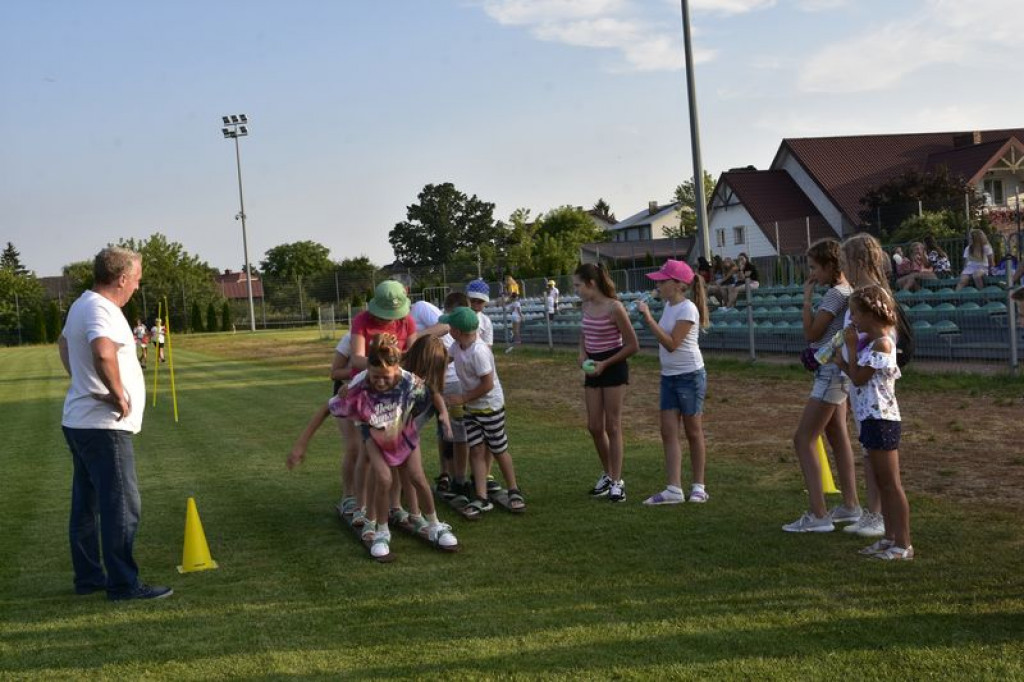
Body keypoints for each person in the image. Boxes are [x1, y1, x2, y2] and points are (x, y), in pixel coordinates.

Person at [58, 246, 171, 600]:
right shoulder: (100, 308)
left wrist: (82, 381)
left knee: (87, 504)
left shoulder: (82, 303)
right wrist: (117, 393)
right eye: (136, 279)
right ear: (122, 278)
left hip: (82, 422)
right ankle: (123, 584)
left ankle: (89, 578)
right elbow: (103, 351)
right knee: (122, 505)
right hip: (103, 427)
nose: (137, 286)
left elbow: (62, 344)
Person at [288, 333, 457, 560]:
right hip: (375, 435)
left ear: (397, 369)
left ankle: (435, 524)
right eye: (375, 376)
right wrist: (301, 445)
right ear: (368, 368)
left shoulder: (408, 379)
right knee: (384, 478)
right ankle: (380, 530)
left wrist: (444, 415)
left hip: (403, 433)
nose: (379, 382)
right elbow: (326, 409)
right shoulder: (360, 383)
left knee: (418, 478)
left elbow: (432, 391)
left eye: (386, 377)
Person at [782, 239, 861, 533]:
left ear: (830, 266)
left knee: (803, 438)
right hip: (839, 371)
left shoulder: (834, 295)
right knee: (837, 435)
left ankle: (818, 514)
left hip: (830, 372)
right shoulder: (849, 291)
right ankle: (851, 505)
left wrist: (806, 300)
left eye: (815, 267)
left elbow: (812, 333)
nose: (812, 273)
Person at [833, 285, 912, 560]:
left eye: (855, 313)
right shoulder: (873, 343)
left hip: (882, 420)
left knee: (890, 484)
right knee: (881, 481)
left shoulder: (883, 343)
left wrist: (852, 348)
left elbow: (859, 378)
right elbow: (855, 373)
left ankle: (903, 543)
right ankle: (889, 537)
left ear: (871, 313)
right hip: (870, 418)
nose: (852, 319)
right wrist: (842, 362)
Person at [635, 259, 711, 505]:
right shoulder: (669, 306)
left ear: (678, 285)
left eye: (663, 280)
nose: (658, 284)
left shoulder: (687, 309)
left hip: (690, 376)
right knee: (668, 432)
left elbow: (671, 344)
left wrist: (648, 319)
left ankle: (698, 486)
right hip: (668, 377)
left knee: (693, 431)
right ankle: (674, 489)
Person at [346, 281, 418, 533]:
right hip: (367, 393)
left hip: (396, 395)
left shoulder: (407, 321)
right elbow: (356, 358)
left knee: (397, 455)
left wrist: (395, 368)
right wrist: (383, 363)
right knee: (366, 456)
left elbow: (413, 352)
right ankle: (361, 507)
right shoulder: (362, 320)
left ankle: (395, 506)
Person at [441, 306, 526, 518]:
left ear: (459, 331)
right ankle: (481, 496)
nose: (447, 328)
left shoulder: (478, 352)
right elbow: (445, 360)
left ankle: (514, 489)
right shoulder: (457, 346)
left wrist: (462, 399)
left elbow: (487, 384)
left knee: (498, 449)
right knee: (476, 449)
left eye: (450, 326)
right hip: (472, 408)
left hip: (490, 407)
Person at [836, 233, 891, 538]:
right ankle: (872, 512)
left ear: (858, 262)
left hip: (870, 385)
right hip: (858, 381)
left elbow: (877, 337)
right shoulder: (860, 294)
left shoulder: (874, 295)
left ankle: (879, 515)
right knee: (868, 451)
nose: (842, 268)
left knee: (876, 454)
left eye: (845, 262)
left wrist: (852, 355)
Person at [574, 263, 639, 502]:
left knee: (613, 425)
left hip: (613, 367)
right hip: (593, 367)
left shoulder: (615, 308)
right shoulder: (585, 306)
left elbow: (633, 345)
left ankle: (617, 482)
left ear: (591, 284)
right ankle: (608, 474)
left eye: (578, 285)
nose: (576, 289)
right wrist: (582, 355)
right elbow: (583, 336)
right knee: (593, 426)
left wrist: (605, 364)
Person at [329, 333, 361, 519]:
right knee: (354, 446)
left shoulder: (390, 336)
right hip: (345, 395)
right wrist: (360, 374)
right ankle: (348, 495)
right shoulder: (350, 337)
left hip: (374, 396)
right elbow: (335, 373)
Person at [465, 279, 494, 347]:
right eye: (472, 300)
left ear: (485, 303)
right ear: (466, 298)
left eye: (480, 301)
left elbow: (488, 345)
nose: (475, 304)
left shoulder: (485, 321)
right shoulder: (457, 317)